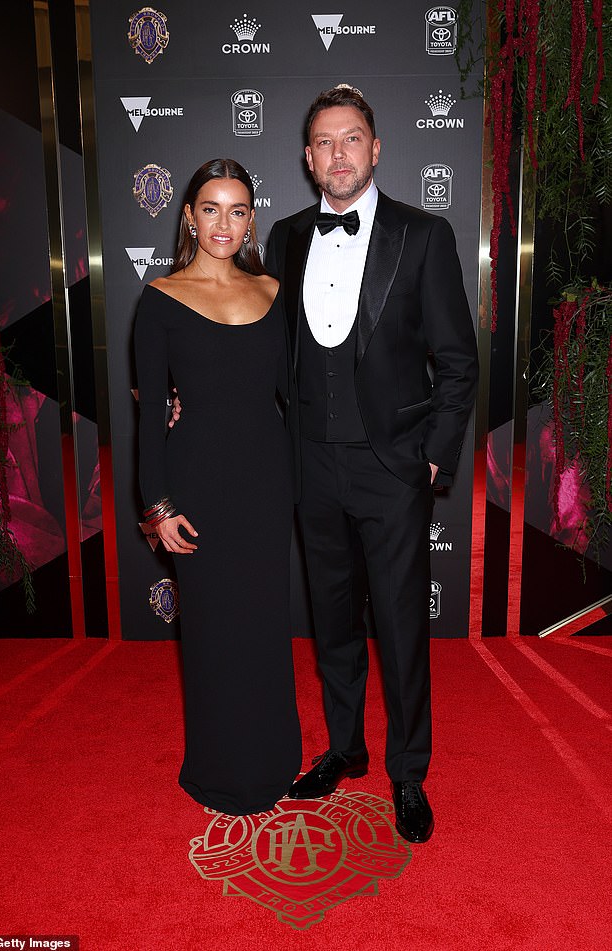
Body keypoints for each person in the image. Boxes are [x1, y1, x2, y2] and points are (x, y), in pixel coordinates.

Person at [263, 85, 479, 842]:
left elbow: (457, 362)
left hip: (393, 470)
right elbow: (268, 356)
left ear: (376, 148)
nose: (338, 154)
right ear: (307, 157)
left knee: (400, 628)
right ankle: (345, 749)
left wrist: (432, 461)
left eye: (351, 138)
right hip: (311, 466)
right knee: (332, 624)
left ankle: (408, 772)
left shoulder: (423, 235)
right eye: (323, 142)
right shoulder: (287, 236)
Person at [134, 159, 301, 816]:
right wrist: (158, 504)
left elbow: (298, 395)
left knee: (263, 624)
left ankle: (273, 759)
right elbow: (150, 411)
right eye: (210, 208)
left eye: (237, 210)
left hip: (267, 478)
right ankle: (216, 768)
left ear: (250, 218)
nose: (223, 223)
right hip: (198, 479)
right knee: (209, 629)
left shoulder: (274, 292)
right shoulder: (161, 298)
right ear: (189, 217)